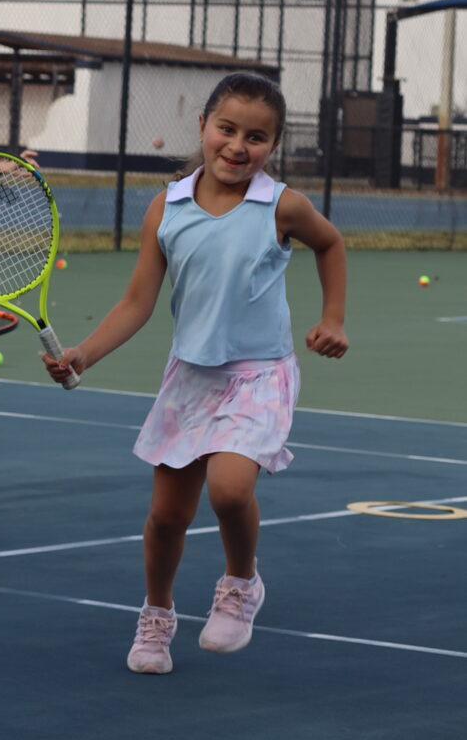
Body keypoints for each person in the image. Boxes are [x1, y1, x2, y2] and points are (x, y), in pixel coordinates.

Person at [44, 72, 348, 674]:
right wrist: (85, 353)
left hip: (259, 376)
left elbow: (331, 244)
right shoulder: (167, 207)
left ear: (274, 145)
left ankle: (241, 584)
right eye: (226, 129)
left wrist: (333, 318)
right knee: (167, 517)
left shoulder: (282, 205)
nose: (237, 146)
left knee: (229, 490)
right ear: (203, 126)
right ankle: (157, 616)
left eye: (256, 137)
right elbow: (137, 302)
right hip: (190, 379)